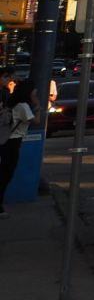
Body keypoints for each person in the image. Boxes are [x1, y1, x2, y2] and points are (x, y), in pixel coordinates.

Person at [1, 77, 36, 216]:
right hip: (12, 142)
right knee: (6, 175)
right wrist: (37, 104)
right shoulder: (23, 106)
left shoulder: (12, 102)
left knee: (4, 174)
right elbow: (36, 120)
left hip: (5, 141)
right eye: (34, 90)